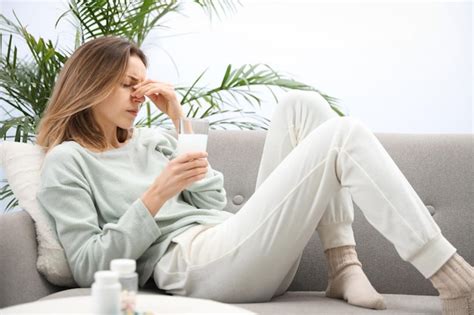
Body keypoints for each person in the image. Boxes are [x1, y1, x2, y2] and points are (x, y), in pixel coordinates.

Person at [36, 36, 473, 314]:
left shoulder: (152, 140)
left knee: (301, 108)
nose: (139, 95)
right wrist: (154, 196)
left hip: (232, 247)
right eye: (127, 84)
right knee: (343, 135)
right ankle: (454, 280)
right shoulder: (68, 160)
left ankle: (343, 265)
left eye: (143, 84)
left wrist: (179, 122)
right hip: (191, 266)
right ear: (90, 85)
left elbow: (211, 205)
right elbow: (87, 267)